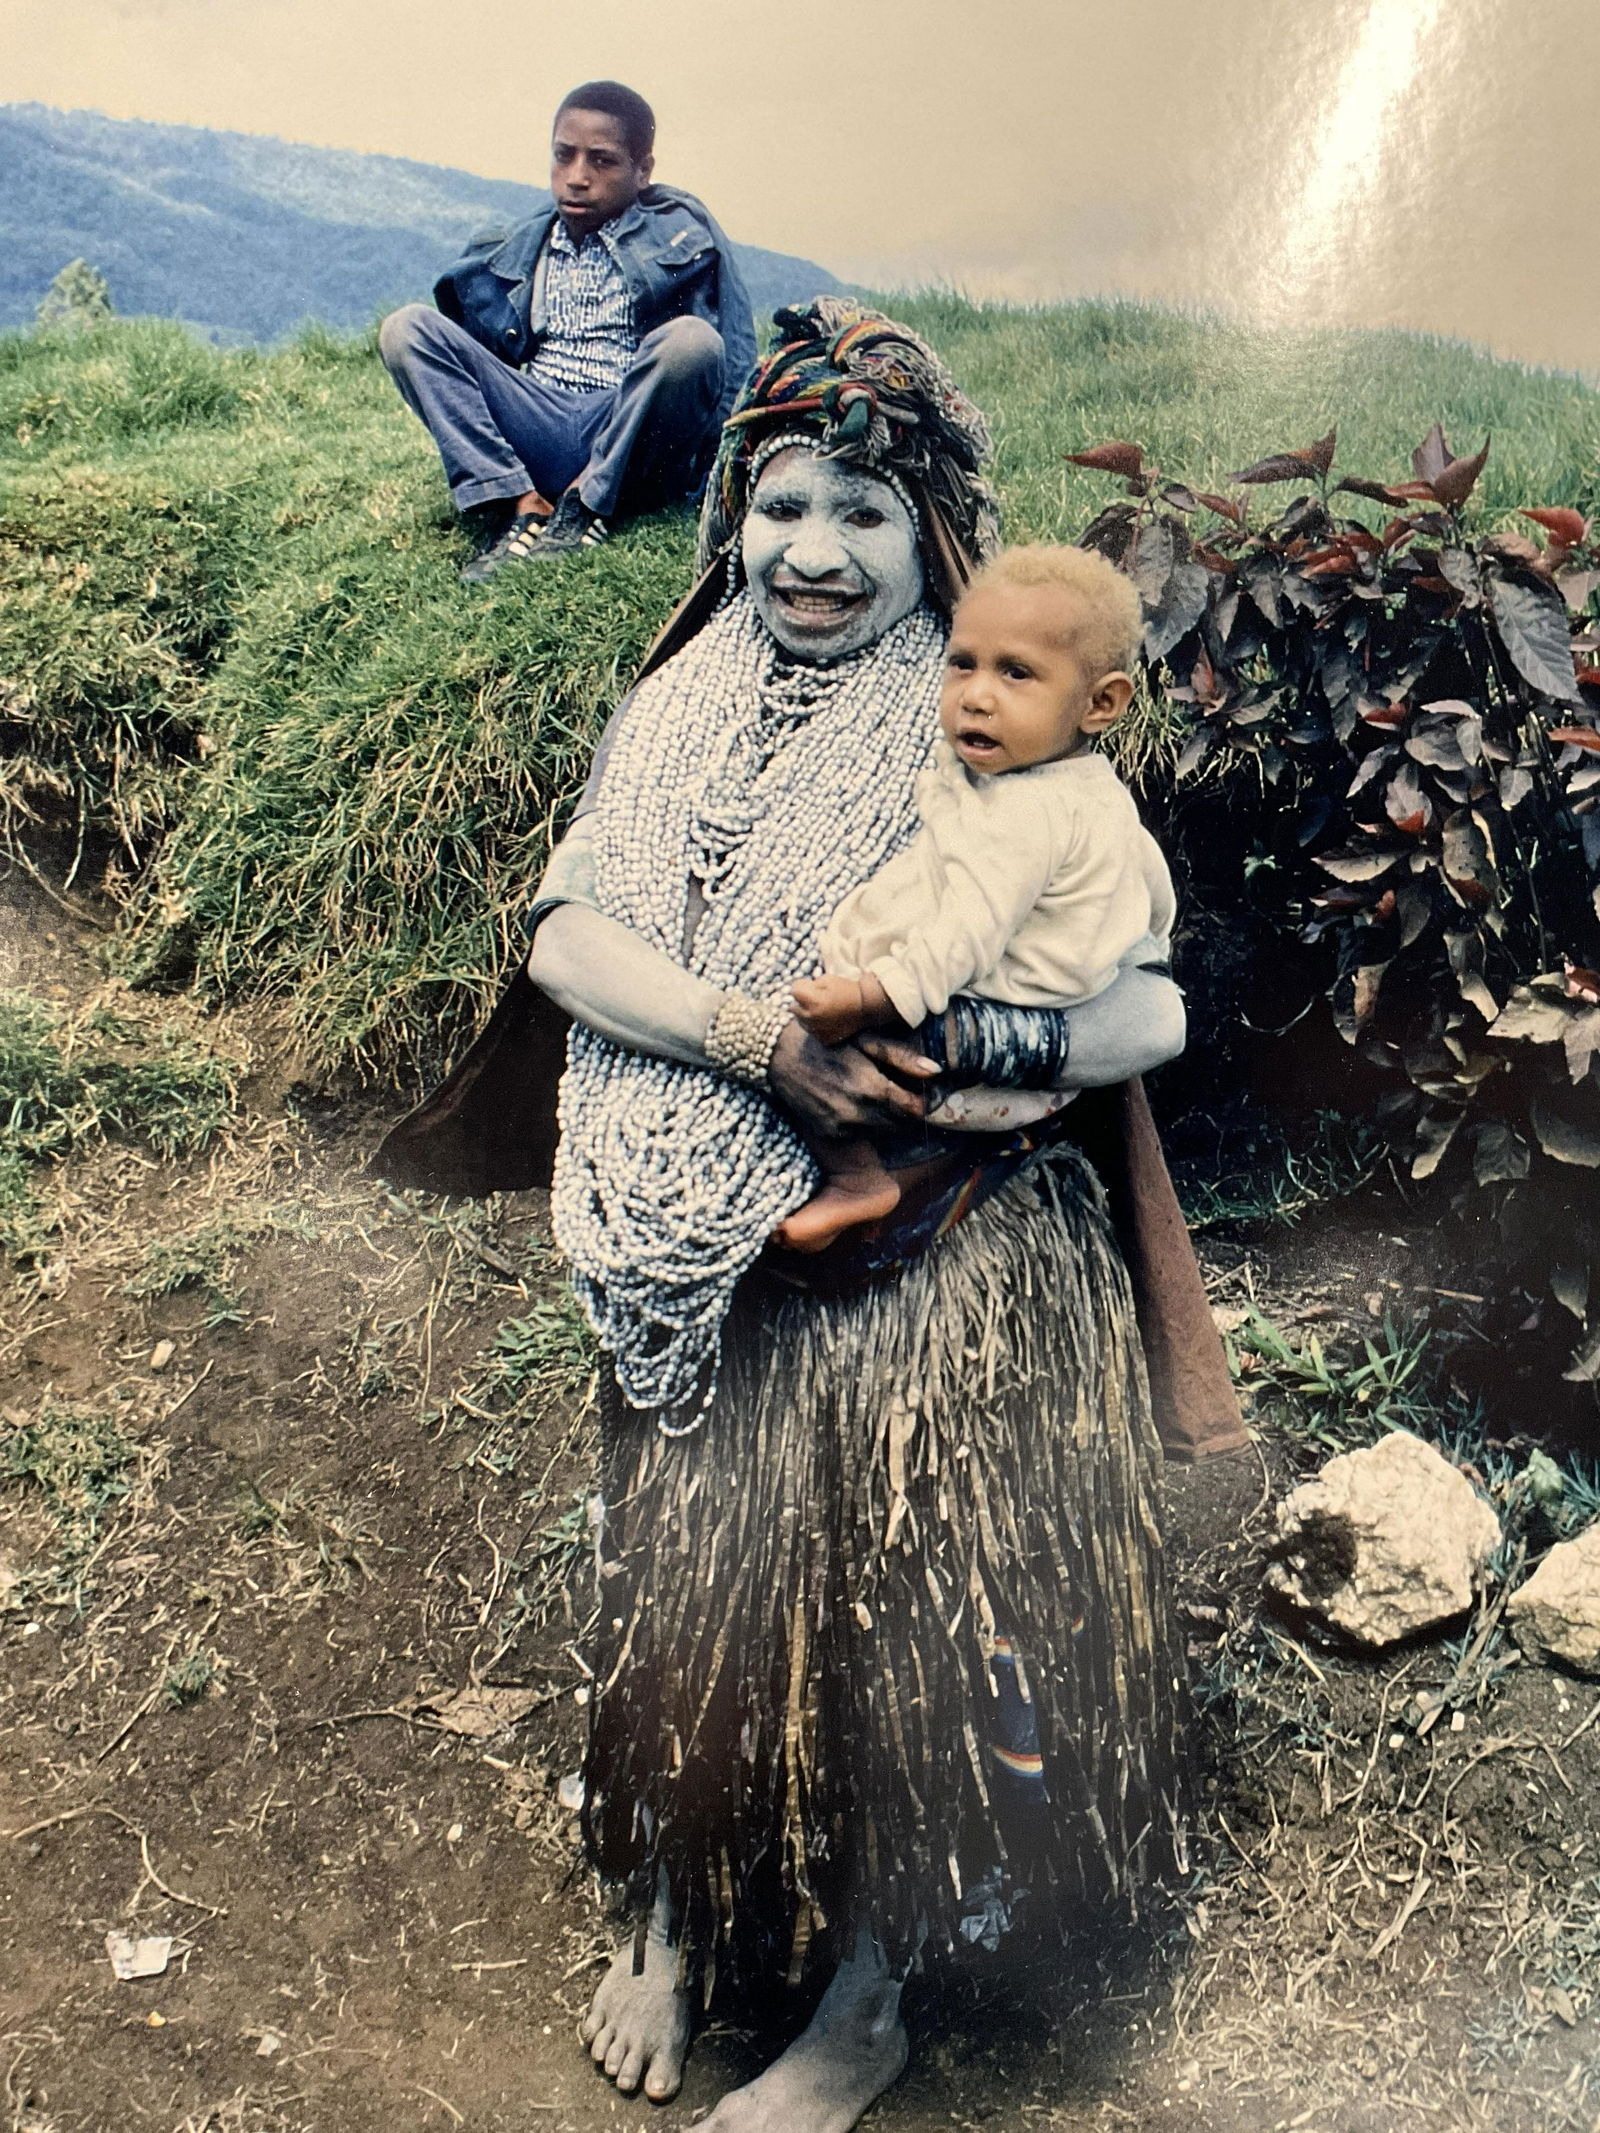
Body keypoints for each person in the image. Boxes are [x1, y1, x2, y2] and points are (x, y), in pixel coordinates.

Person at [375, 300, 1248, 2131]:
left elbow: (1147, 1006)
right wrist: (757, 1035)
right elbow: (567, 933)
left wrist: (987, 1038)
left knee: (899, 1531)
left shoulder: (989, 713)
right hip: (701, 1199)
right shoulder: (679, 697)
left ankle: (867, 1996)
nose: (813, 554)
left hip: (938, 1221)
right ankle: (675, 1912)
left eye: (862, 509)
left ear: (923, 527)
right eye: (780, 504)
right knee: (691, 1547)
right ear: (730, 518)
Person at [777, 543, 1177, 1252]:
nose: (977, 694)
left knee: (808, 1053)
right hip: (1040, 1061)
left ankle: (858, 1177)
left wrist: (872, 997)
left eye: (1016, 673)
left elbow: (964, 935)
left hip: (976, 1058)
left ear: (1102, 702)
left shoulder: (1025, 821)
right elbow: (1151, 888)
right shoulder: (1090, 790)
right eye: (963, 663)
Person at [377, 79, 756, 581]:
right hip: (539, 412)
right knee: (406, 329)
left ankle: (588, 504)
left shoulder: (681, 239)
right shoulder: (521, 244)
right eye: (564, 156)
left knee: (692, 342)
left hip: (623, 423)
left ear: (642, 170)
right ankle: (519, 501)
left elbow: (729, 353)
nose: (577, 177)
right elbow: (479, 352)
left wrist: (722, 464)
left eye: (602, 161)